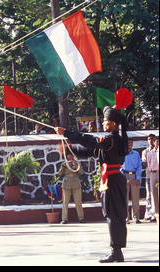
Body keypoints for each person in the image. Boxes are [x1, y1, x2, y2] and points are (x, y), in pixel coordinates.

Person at [55, 106, 128, 263]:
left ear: (114, 123)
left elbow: (88, 140)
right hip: (115, 179)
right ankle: (117, 250)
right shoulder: (114, 140)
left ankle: (116, 251)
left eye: (106, 121)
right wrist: (69, 148)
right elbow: (89, 150)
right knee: (116, 215)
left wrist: (66, 133)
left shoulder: (110, 139)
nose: (103, 123)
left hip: (112, 181)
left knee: (112, 215)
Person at [58, 152, 85, 224]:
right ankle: (64, 219)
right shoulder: (64, 163)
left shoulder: (77, 163)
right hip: (66, 183)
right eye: (68, 155)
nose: (70, 156)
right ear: (66, 156)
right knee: (65, 202)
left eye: (71, 155)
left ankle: (81, 218)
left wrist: (75, 165)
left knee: (78, 202)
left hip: (76, 183)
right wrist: (63, 166)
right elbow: (59, 174)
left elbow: (81, 172)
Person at [122, 138, 142, 224]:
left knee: (135, 197)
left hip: (134, 176)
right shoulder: (122, 153)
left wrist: (138, 178)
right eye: (128, 143)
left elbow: (139, 166)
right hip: (125, 175)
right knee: (125, 198)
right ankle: (126, 217)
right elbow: (120, 166)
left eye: (131, 143)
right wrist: (123, 178)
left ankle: (136, 217)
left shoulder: (136, 154)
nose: (130, 145)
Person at [142, 134, 156, 221]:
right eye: (149, 139)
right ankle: (149, 213)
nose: (150, 141)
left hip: (156, 174)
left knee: (156, 195)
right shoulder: (145, 152)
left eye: (152, 139)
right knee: (149, 195)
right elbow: (144, 163)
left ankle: (156, 213)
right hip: (148, 175)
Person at [146, 136, 159, 217]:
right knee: (153, 193)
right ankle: (155, 212)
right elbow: (149, 164)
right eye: (157, 141)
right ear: (154, 143)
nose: (158, 143)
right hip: (153, 173)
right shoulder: (150, 153)